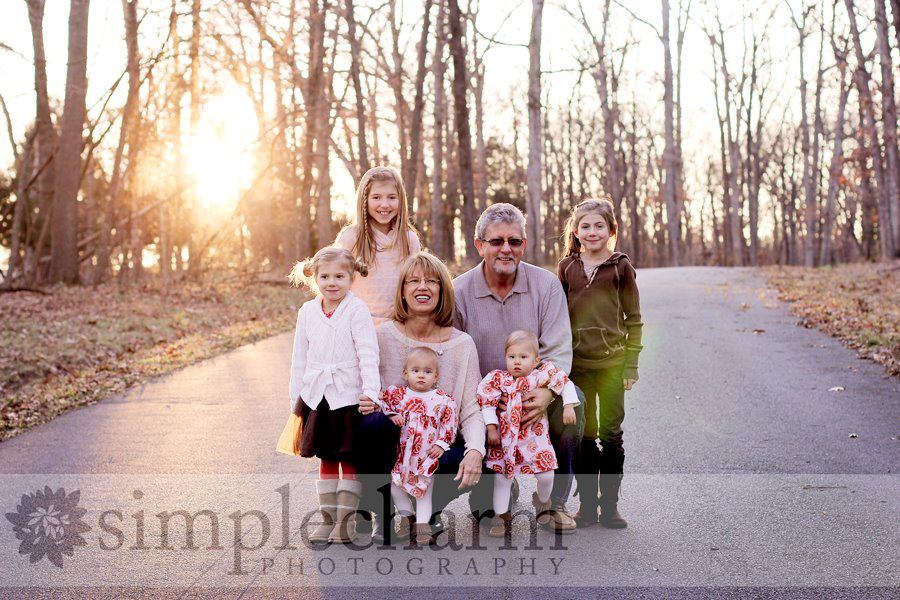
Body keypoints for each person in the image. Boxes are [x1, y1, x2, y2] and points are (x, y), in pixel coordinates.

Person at [454, 202, 584, 533]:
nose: (506, 249)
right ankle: (503, 485)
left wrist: (547, 392)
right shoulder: (458, 291)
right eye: (496, 241)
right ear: (479, 245)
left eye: (514, 241)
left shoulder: (546, 285)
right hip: (484, 403)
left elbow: (557, 349)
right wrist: (482, 407)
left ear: (523, 245)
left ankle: (552, 503)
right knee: (484, 513)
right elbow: (451, 357)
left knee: (575, 402)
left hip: (533, 392)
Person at [356, 251, 485, 543]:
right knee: (371, 426)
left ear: (443, 290)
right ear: (402, 291)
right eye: (413, 281)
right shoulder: (381, 336)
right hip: (393, 445)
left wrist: (475, 451)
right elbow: (368, 390)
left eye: (431, 281)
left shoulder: (462, 344)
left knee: (481, 460)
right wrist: (370, 403)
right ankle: (383, 513)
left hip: (434, 446)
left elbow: (470, 410)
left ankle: (426, 512)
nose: (422, 287)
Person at [558, 199, 643, 529]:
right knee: (583, 435)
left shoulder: (621, 267)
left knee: (610, 436)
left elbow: (634, 319)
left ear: (611, 230)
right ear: (576, 231)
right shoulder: (567, 267)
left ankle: (610, 506)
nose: (592, 232)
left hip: (612, 365)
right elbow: (558, 319)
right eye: (585, 226)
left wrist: (631, 365)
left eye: (599, 226)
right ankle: (587, 506)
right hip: (578, 366)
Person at [287, 247, 380, 544]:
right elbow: (300, 357)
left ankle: (345, 521)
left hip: (347, 396)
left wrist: (371, 392)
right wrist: (296, 397)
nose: (332, 283)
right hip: (317, 397)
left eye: (339, 276)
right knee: (326, 457)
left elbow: (368, 353)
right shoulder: (307, 312)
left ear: (351, 277)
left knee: (347, 457)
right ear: (315, 278)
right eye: (325, 276)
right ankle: (327, 518)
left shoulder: (356, 309)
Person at [477, 331, 579, 537]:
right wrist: (491, 427)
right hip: (506, 441)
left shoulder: (540, 376)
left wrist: (568, 406)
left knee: (546, 475)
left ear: (535, 360)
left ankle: (542, 501)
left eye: (523, 357)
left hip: (535, 438)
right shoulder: (498, 379)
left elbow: (565, 383)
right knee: (502, 479)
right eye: (511, 356)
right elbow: (486, 403)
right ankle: (501, 516)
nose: (516, 362)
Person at [379, 347, 458, 546]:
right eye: (415, 370)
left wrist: (441, 444)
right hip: (402, 456)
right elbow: (382, 404)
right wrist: (391, 415)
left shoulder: (442, 400)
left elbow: (449, 425)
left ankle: (423, 527)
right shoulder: (398, 395)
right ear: (406, 373)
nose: (421, 375)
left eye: (427, 371)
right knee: (395, 487)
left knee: (424, 492)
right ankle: (408, 518)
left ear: (436, 376)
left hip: (425, 457)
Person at [335, 166, 421, 325]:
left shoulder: (409, 240)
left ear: (401, 200)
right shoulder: (351, 237)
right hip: (357, 324)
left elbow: (414, 284)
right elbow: (334, 279)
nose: (385, 204)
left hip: (398, 325)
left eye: (392, 197)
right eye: (376, 197)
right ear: (364, 201)